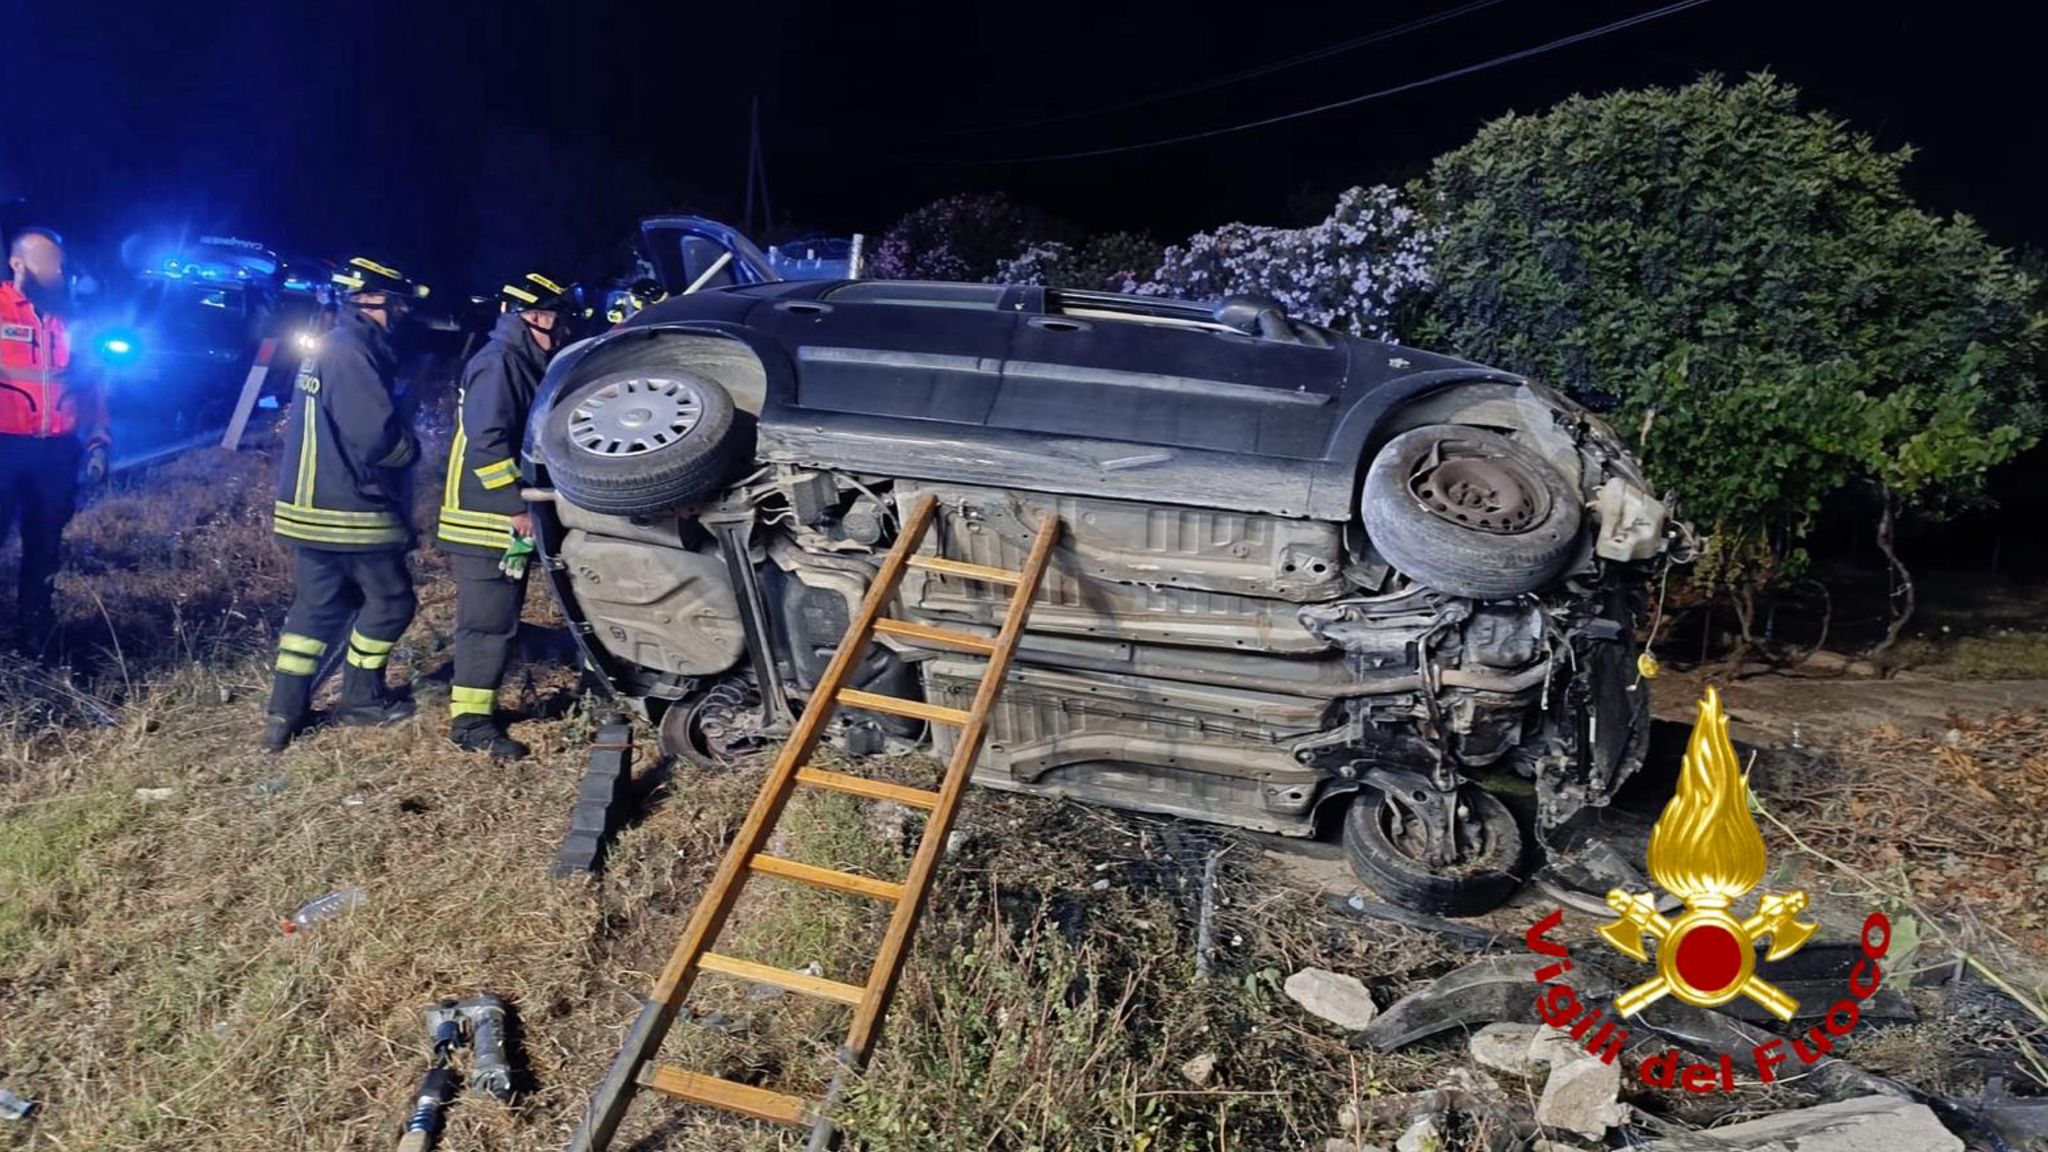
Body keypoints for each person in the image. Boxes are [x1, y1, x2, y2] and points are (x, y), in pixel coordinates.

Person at [263, 257, 427, 752]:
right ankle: (360, 697)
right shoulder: (352, 351)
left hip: (308, 508)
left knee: (313, 613)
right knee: (392, 601)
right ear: (373, 301)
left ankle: (283, 714)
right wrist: (411, 452)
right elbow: (376, 437)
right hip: (350, 509)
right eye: (397, 303)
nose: (401, 313)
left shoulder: (331, 346)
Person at [436, 271, 574, 759]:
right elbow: (487, 446)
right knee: (486, 623)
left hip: (501, 516)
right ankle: (470, 723)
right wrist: (516, 506)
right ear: (533, 316)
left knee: (501, 620)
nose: (562, 329)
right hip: (484, 517)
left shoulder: (521, 359)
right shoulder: (499, 365)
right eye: (557, 318)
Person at [0, 226, 109, 649]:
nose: (57, 273)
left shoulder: (73, 320)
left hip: (56, 452)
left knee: (45, 544)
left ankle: (34, 632)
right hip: (5, 447)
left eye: (60, 265)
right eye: (47, 264)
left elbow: (94, 386)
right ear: (18, 265)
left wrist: (99, 439)